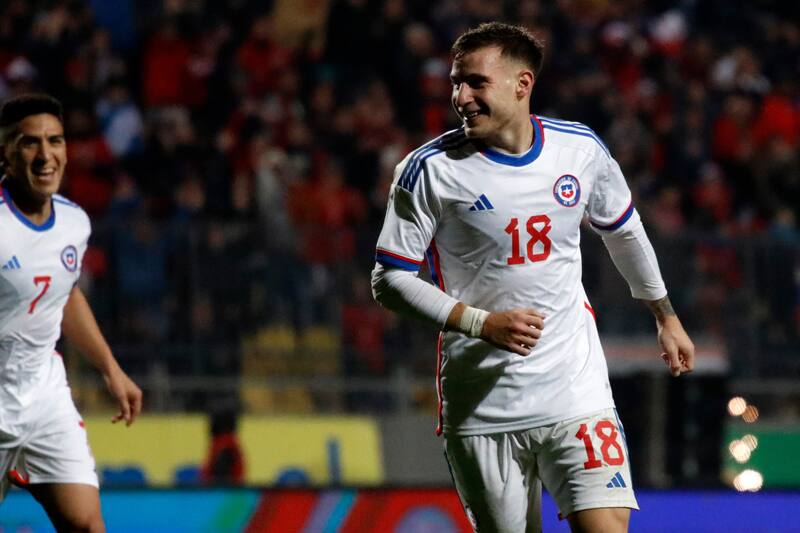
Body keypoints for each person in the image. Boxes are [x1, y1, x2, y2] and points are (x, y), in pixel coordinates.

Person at [371, 23, 694, 533]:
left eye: (476, 82)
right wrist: (482, 324)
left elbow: (625, 233)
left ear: (522, 84)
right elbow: (389, 279)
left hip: (574, 389)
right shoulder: (428, 171)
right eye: (457, 83)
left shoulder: (579, 150)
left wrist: (665, 315)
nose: (461, 97)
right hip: (483, 404)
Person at [0, 93, 142, 532]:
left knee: (87, 526)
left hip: (44, 395)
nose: (46, 155)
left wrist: (110, 368)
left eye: (55, 141)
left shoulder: (73, 222)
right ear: (5, 152)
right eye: (30, 143)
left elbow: (65, 294)